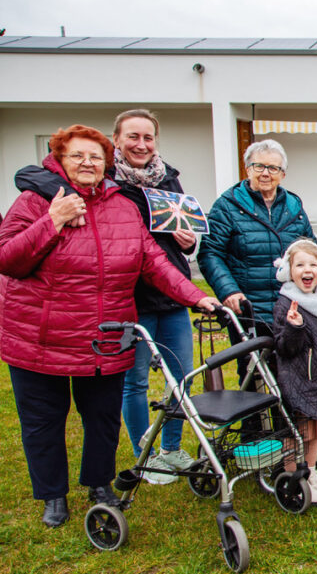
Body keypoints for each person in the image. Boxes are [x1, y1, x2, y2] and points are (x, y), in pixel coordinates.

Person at [1, 124, 217, 528]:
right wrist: (53, 221)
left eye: (95, 157)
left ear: (107, 164)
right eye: (78, 156)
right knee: (44, 418)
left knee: (101, 416)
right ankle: (53, 495)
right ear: (60, 160)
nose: (88, 163)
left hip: (104, 332)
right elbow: (8, 258)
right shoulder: (34, 202)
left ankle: (99, 484)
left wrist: (195, 296)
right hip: (40, 334)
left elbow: (152, 260)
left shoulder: (121, 205)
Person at [109, 109, 200, 485]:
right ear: (117, 140)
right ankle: (144, 457)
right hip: (132, 296)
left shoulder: (170, 180)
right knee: (136, 382)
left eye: (148, 138)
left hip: (173, 292)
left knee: (182, 376)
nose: (141, 144)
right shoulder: (108, 185)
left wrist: (189, 240)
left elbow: (185, 234)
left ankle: (171, 448)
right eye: (133, 136)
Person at [199, 140, 317, 365]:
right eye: (259, 166)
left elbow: (312, 249)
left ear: (282, 174)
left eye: (273, 168)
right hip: (250, 307)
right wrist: (229, 291)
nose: (266, 173)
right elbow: (210, 253)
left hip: (292, 303)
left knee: (296, 368)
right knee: (253, 371)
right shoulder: (227, 206)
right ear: (248, 169)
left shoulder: (293, 206)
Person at [272, 239, 317, 507]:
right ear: (289, 270)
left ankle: (311, 474)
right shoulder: (287, 304)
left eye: (313, 264)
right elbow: (284, 348)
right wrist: (295, 327)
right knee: (297, 433)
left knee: (314, 432)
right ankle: (293, 479)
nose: (307, 270)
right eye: (300, 264)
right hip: (299, 379)